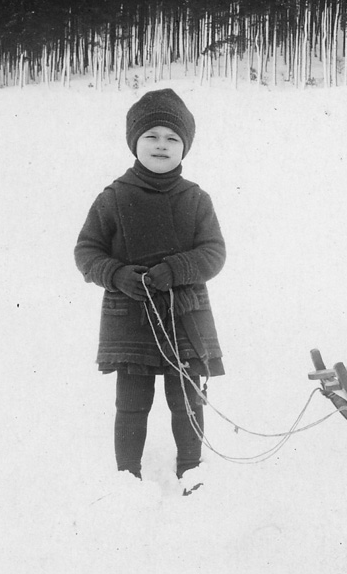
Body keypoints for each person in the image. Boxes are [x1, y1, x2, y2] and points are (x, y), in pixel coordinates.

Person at [74, 88, 226, 494]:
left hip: (185, 316)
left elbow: (214, 253)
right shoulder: (114, 198)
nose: (162, 145)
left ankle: (191, 471)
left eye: (172, 138)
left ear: (185, 147)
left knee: (187, 400)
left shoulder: (196, 199)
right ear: (134, 142)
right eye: (152, 136)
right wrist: (117, 274)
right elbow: (86, 251)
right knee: (132, 403)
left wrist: (176, 269)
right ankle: (127, 476)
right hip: (131, 318)